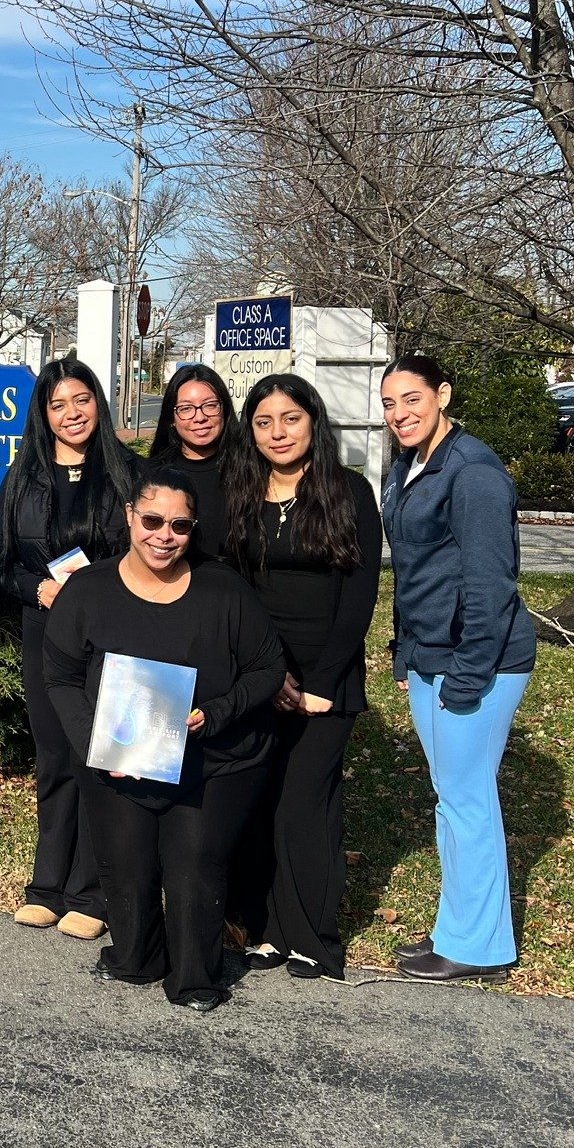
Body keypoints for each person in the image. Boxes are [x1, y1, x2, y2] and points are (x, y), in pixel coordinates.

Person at [44, 464, 286, 1011]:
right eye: (152, 519)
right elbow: (58, 675)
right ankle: (136, 956)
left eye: (179, 525)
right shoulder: (89, 590)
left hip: (212, 760)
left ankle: (195, 978)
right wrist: (95, 745)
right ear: (130, 517)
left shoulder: (224, 588)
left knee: (194, 863)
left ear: (193, 527)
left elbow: (268, 669)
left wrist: (216, 714)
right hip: (120, 758)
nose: (164, 536)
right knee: (125, 862)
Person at [380, 355, 536, 983]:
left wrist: (467, 679)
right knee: (452, 796)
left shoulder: (472, 472)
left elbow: (490, 584)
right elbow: (415, 571)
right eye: (389, 404)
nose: (399, 415)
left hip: (479, 662)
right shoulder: (410, 465)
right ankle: (463, 927)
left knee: (467, 797)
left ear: (442, 394)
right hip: (430, 656)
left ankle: (479, 947)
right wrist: (406, 652)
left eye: (412, 399)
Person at [221, 374, 382, 980]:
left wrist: (319, 679)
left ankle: (314, 936)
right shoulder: (242, 491)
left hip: (326, 680)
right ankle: (268, 931)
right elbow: (236, 590)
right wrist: (270, 674)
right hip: (262, 674)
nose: (277, 432)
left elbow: (359, 595)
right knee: (262, 804)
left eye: (289, 418)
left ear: (313, 420)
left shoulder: (349, 492)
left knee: (304, 806)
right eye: (263, 422)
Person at [0, 357, 137, 938]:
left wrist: (98, 588)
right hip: (46, 635)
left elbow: (152, 552)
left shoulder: (128, 474)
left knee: (97, 757)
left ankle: (91, 893)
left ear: (98, 402)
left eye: (81, 400)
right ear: (43, 415)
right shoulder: (23, 477)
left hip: (112, 636)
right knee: (54, 757)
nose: (72, 414)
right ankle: (47, 885)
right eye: (58, 405)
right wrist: (37, 588)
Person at [146, 363, 240, 558]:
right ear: (171, 418)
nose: (200, 417)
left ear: (225, 410)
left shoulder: (250, 470)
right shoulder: (153, 474)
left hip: (236, 584)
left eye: (210, 405)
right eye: (186, 408)